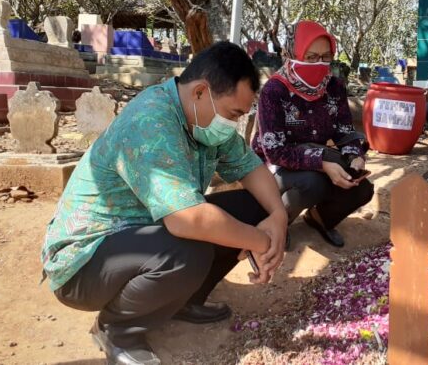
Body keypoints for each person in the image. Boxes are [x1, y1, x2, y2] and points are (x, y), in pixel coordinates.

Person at [41, 42, 288, 365]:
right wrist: (261, 240)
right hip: (85, 262)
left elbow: (252, 168)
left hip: (141, 238)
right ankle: (117, 329)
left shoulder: (205, 119)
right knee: (191, 248)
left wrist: (278, 217)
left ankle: (182, 299)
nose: (233, 125)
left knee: (252, 209)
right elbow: (185, 220)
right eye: (233, 115)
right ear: (201, 91)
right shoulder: (151, 122)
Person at [252, 20, 374, 248]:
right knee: (313, 183)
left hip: (315, 154)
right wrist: (321, 164)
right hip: (274, 165)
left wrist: (354, 156)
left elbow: (344, 131)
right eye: (310, 57)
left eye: (326, 57)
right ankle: (277, 222)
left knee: (362, 189)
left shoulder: (334, 87)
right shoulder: (274, 91)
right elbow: (275, 152)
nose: (319, 64)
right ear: (291, 53)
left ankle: (320, 218)